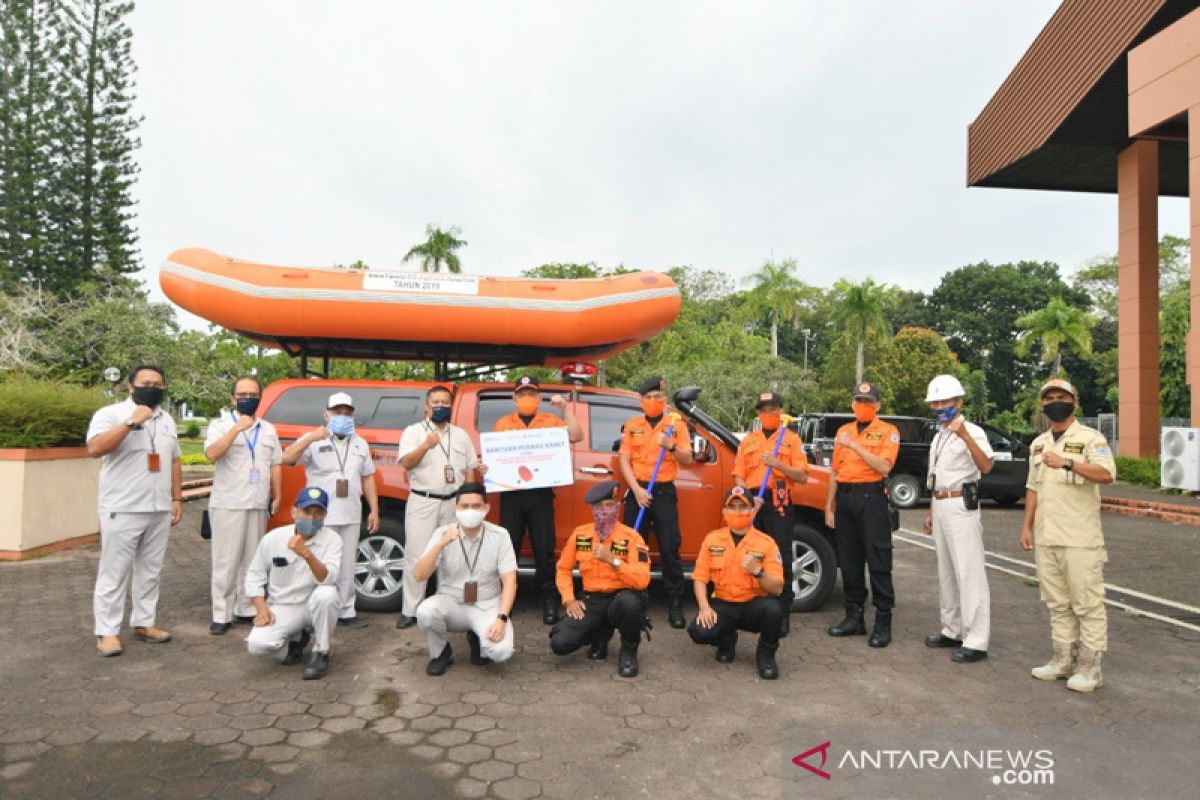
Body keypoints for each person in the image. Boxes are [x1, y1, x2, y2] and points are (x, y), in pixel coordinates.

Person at [1020, 379, 1116, 693]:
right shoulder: (1039, 442)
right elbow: (1033, 487)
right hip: (1047, 536)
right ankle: (1062, 660)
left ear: (1074, 403)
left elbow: (1107, 474)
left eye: (1062, 397)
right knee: (1057, 602)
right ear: (1043, 406)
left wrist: (1069, 463)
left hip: (1080, 537)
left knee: (1087, 603)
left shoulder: (1090, 438)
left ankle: (1090, 667)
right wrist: (1026, 526)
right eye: (1049, 399)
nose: (1055, 402)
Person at [86, 364, 183, 657]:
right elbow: (95, 448)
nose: (152, 387)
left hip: (158, 507)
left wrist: (176, 498)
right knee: (114, 572)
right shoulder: (110, 414)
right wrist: (130, 423)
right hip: (123, 507)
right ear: (131, 386)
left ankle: (144, 622)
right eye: (146, 382)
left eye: (158, 383)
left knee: (150, 570)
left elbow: (175, 460)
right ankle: (107, 632)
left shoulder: (167, 419)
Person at [281, 392, 379, 629]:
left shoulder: (360, 443)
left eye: (347, 413)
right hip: (320, 515)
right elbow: (287, 458)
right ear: (327, 414)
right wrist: (311, 438)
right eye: (337, 412)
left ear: (353, 415)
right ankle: (314, 609)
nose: (342, 417)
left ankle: (346, 610)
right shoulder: (314, 439)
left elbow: (368, 477)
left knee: (347, 564)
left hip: (351, 513)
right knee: (317, 561)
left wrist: (374, 509)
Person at [395, 385, 486, 629]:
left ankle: (450, 607)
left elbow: (469, 470)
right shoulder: (413, 432)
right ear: (427, 406)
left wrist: (469, 503)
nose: (440, 406)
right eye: (435, 402)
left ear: (451, 405)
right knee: (417, 554)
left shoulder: (461, 435)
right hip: (423, 501)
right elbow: (406, 464)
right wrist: (426, 445)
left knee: (453, 557)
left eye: (445, 402)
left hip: (452, 503)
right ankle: (410, 610)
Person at [494, 375, 582, 625]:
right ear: (514, 398)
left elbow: (576, 435)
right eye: (521, 394)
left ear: (539, 398)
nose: (526, 398)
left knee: (544, 549)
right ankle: (506, 600)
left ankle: (549, 599)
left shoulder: (552, 421)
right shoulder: (503, 424)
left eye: (531, 394)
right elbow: (497, 457)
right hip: (511, 495)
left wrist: (565, 408)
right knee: (508, 547)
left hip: (540, 495)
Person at [921, 375, 994, 663]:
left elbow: (986, 465)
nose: (939, 406)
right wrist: (930, 511)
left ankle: (976, 640)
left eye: (945, 401)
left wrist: (964, 435)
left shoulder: (972, 431)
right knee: (947, 572)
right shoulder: (939, 435)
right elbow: (936, 477)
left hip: (961, 505)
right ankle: (952, 629)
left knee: (969, 572)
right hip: (940, 504)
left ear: (959, 402)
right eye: (935, 402)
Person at [204, 376, 283, 635]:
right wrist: (237, 429)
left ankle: (246, 608)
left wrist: (277, 493)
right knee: (226, 561)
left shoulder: (268, 429)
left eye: (253, 394)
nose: (248, 398)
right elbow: (213, 454)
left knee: (252, 561)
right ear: (232, 398)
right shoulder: (220, 425)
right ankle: (221, 614)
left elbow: (275, 463)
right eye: (242, 394)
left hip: (257, 502)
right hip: (229, 502)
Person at [824, 382, 900, 647]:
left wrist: (855, 446)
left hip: (872, 499)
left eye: (869, 402)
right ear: (852, 404)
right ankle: (853, 617)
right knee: (850, 560)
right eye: (859, 401)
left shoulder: (888, 432)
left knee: (878, 558)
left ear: (878, 405)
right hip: (845, 499)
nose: (863, 406)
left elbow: (883, 466)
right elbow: (834, 471)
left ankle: (883, 620)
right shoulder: (843, 431)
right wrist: (828, 505)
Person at [413, 482, 517, 676]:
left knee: (501, 652)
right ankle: (441, 652)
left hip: (487, 604)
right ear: (456, 508)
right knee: (425, 612)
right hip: (452, 604)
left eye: (476, 506)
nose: (470, 511)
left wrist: (501, 619)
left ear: (487, 508)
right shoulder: (442, 533)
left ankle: (478, 638)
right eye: (465, 506)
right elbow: (419, 575)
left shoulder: (500, 535)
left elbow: (510, 581)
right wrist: (441, 544)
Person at [550, 481, 651, 677]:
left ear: (618, 507)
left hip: (620, 598)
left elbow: (642, 580)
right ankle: (599, 634)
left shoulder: (632, 537)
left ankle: (629, 651)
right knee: (560, 643)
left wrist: (612, 560)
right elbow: (563, 569)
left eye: (609, 505)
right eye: (599, 506)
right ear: (591, 509)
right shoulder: (581, 534)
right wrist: (569, 599)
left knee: (630, 603)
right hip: (593, 599)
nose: (604, 511)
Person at [687, 487, 785, 679]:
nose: (737, 511)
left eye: (743, 506)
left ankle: (766, 656)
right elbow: (700, 577)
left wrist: (758, 571)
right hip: (723, 603)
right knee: (699, 632)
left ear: (753, 511)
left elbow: (778, 588)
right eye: (732, 507)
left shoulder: (767, 543)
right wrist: (704, 606)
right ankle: (727, 639)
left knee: (774, 610)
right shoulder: (713, 539)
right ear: (724, 511)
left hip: (753, 606)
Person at [245, 486, 341, 680]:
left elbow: (328, 578)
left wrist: (306, 554)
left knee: (327, 595)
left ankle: (321, 651)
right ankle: (293, 645)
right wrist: (262, 609)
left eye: (318, 513)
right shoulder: (273, 538)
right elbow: (255, 576)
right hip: (283, 605)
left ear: (325, 516)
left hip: (313, 604)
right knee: (256, 645)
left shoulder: (333, 540)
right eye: (306, 512)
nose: (312, 518)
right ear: (294, 511)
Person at [619, 375, 693, 629]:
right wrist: (636, 490)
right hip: (638, 491)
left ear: (664, 400)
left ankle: (674, 603)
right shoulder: (631, 425)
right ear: (641, 401)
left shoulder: (676, 425)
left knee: (670, 547)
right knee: (632, 547)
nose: (653, 401)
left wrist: (671, 446)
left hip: (663, 492)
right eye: (649, 398)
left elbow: (688, 459)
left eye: (658, 397)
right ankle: (633, 600)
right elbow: (624, 460)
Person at [732, 391, 808, 636]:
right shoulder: (749, 441)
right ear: (758, 414)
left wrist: (778, 465)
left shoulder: (791, 440)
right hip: (753, 501)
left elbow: (802, 475)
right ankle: (750, 606)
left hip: (778, 502)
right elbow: (738, 474)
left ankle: (783, 613)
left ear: (781, 411)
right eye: (764, 409)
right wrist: (747, 498)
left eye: (773, 409)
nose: (769, 414)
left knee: (780, 555)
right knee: (749, 552)